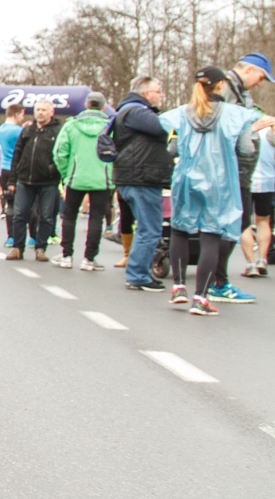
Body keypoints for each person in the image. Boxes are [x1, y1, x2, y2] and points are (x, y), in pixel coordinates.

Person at [156, 67, 274, 314]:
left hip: (186, 178)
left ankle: (178, 287)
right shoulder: (236, 115)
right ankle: (201, 298)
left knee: (179, 230)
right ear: (221, 85)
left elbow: (172, 149)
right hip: (219, 181)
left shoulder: (183, 113)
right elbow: (246, 150)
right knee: (211, 235)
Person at [202, 52, 271, 303]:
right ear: (249, 70)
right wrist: (254, 127)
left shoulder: (243, 93)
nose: (260, 83)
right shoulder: (227, 89)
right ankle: (216, 283)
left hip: (240, 168)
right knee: (231, 224)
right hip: (228, 167)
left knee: (236, 224)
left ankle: (216, 281)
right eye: (261, 77)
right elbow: (217, 126)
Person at [112, 77, 170, 291]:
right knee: (149, 228)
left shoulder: (128, 110)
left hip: (134, 176)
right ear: (146, 93)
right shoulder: (136, 111)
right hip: (141, 178)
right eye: (158, 92)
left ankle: (138, 272)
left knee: (146, 227)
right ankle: (138, 275)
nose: (160, 96)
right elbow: (162, 127)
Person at [52, 91, 115, 270]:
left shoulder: (71, 125)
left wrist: (66, 173)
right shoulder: (110, 127)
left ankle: (66, 255)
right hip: (102, 179)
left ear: (86, 105)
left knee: (69, 216)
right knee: (96, 218)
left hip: (75, 177)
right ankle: (89, 258)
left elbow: (59, 152)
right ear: (103, 107)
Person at [5, 99, 62, 261]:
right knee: (19, 215)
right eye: (38, 110)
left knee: (46, 217)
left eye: (44, 110)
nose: (40, 113)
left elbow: (63, 154)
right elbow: (17, 154)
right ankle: (17, 248)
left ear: (51, 112)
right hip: (25, 180)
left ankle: (41, 248)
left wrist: (54, 171)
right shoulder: (27, 130)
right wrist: (12, 180)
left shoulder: (58, 131)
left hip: (48, 181)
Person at [0, 103, 26, 229]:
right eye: (22, 115)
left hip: (4, 169)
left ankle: (10, 235)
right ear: (16, 114)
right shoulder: (18, 131)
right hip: (17, 169)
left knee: (10, 203)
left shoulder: (0, 130)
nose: (23, 118)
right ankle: (20, 231)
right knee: (22, 204)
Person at [248, 128, 273, 277]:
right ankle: (262, 260)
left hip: (246, 181)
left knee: (244, 224)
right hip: (267, 183)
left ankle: (250, 264)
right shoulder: (269, 133)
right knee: (264, 221)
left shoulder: (248, 130)